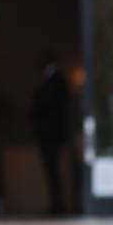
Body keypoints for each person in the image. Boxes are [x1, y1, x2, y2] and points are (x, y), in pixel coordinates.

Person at [29, 50, 70, 215]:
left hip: (51, 134)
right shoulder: (53, 80)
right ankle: (56, 204)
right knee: (51, 171)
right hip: (49, 133)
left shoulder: (56, 81)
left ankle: (58, 205)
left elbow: (47, 104)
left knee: (53, 170)